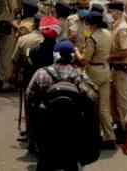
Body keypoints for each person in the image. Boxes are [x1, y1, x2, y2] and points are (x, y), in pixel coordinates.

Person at [26, 40, 99, 171]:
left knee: (45, 160)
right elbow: (91, 97)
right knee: (72, 162)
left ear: (55, 55)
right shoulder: (78, 74)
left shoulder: (41, 73)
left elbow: (29, 96)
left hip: (47, 126)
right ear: (72, 56)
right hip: (72, 127)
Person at [79, 10, 115, 147]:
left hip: (93, 73)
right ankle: (109, 136)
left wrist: (77, 51)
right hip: (105, 69)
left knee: (89, 106)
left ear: (91, 24)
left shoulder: (92, 38)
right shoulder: (108, 33)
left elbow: (84, 60)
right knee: (104, 108)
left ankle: (92, 135)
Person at [107, 0, 127, 142]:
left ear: (117, 12)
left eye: (111, 11)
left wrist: (108, 57)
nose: (109, 14)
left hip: (123, 69)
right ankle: (120, 126)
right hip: (117, 68)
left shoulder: (122, 29)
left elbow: (126, 51)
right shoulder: (117, 26)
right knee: (115, 100)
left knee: (124, 102)